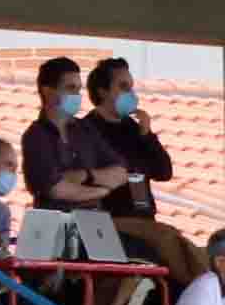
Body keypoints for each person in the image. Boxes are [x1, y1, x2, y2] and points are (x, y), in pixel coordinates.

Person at [82, 56, 206, 289]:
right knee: (169, 243)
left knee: (179, 250)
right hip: (112, 220)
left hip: (145, 218)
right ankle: (201, 287)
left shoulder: (133, 128)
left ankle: (201, 289)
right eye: (123, 86)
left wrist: (147, 134)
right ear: (103, 91)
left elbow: (164, 171)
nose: (131, 92)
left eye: (132, 86)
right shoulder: (88, 130)